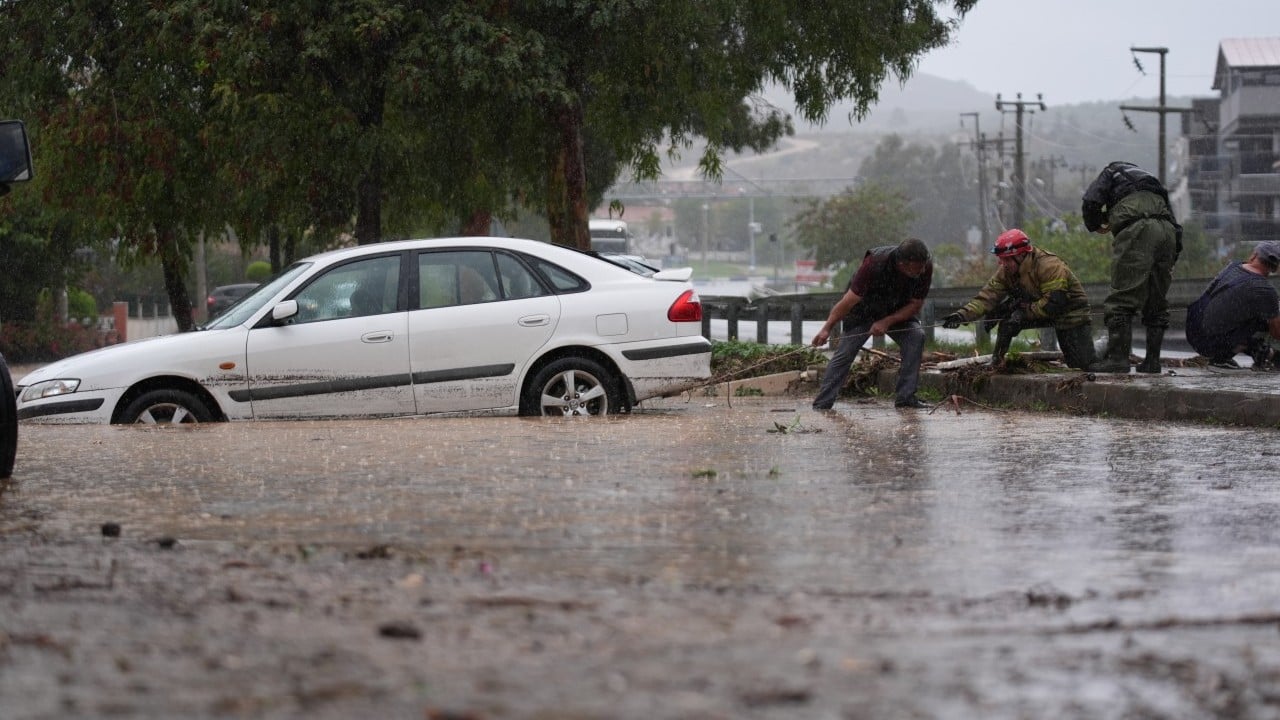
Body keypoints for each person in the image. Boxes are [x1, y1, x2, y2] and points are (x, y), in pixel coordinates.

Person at [941, 229, 1096, 369]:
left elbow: (1054, 304)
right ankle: (997, 360)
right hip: (1038, 309)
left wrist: (1022, 312)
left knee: (1081, 365)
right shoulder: (1007, 270)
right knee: (1008, 322)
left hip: (1070, 314)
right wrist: (962, 315)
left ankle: (1104, 349)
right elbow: (987, 297)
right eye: (1001, 259)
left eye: (1007, 259)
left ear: (1022, 255)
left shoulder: (1049, 265)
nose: (1003, 264)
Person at [1081, 160, 1181, 373]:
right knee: (1157, 300)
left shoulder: (1111, 171)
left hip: (1138, 230)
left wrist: (1096, 223)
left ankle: (1118, 360)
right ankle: (1152, 362)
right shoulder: (1151, 182)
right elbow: (1175, 223)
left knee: (1122, 299)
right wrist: (1172, 256)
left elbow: (1091, 201)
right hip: (1167, 233)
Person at [811, 238, 933, 410]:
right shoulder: (874, 264)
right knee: (846, 352)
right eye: (916, 269)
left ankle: (906, 397)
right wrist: (827, 328)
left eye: (923, 267)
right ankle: (823, 403)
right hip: (863, 310)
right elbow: (848, 301)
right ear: (902, 264)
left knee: (916, 336)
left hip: (896, 309)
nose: (921, 272)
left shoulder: (925, 266)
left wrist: (887, 321)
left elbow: (916, 304)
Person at [1185, 241, 1280, 370]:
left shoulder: (1233, 266)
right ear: (1274, 268)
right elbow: (1276, 332)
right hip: (1210, 343)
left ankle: (1260, 352)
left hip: (1193, 331)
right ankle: (1222, 358)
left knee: (1255, 314)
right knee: (1264, 319)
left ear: (1254, 255)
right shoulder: (1265, 290)